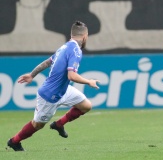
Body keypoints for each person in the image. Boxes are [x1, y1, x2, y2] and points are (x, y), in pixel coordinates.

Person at [7, 21, 100, 151]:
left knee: (86, 106)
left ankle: (59, 124)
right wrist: (89, 81)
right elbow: (71, 76)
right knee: (37, 125)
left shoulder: (64, 47)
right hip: (49, 95)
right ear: (85, 36)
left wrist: (32, 75)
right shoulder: (75, 51)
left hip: (63, 89)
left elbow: (47, 62)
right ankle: (14, 141)